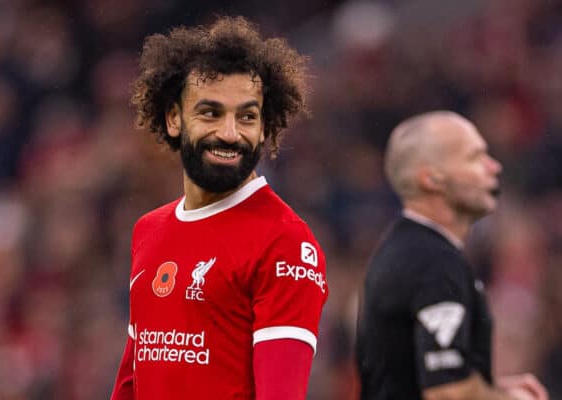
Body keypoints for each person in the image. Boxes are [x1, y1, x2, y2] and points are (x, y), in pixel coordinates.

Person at [109, 16, 328, 400]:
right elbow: (132, 382)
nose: (230, 133)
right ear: (174, 118)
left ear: (265, 127)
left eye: (247, 116)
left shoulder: (286, 242)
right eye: (210, 113)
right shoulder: (149, 229)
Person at [355, 111, 549, 400]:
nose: (494, 166)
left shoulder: (406, 249)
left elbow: (411, 380)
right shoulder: (433, 262)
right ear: (432, 178)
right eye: (475, 157)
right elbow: (448, 392)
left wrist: (490, 388)